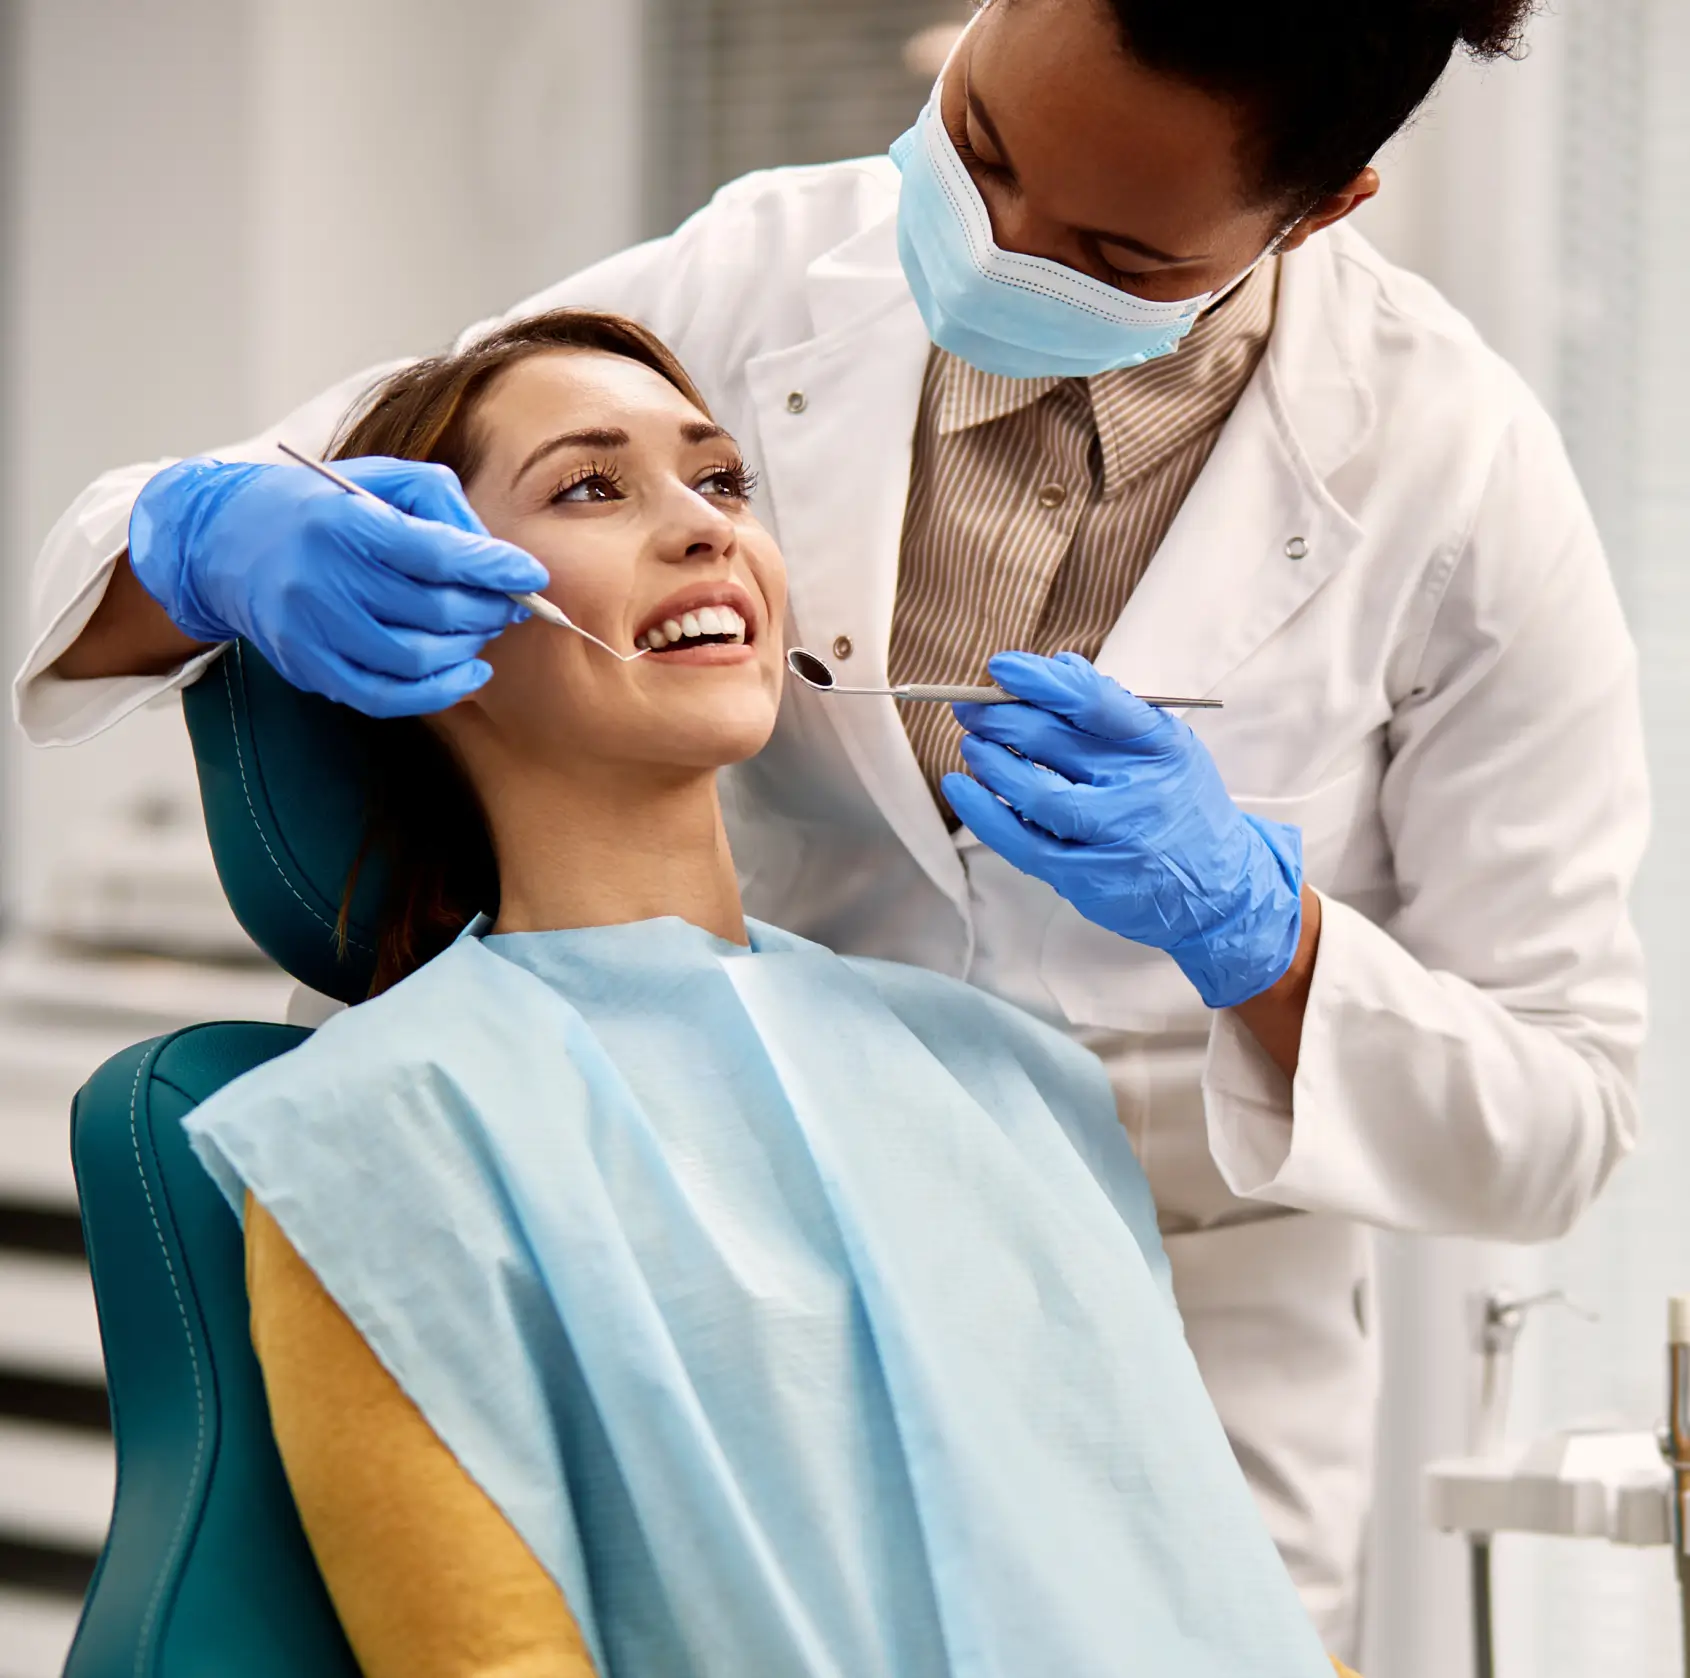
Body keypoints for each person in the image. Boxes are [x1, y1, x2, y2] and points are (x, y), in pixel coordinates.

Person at [15, 0, 1646, 1652]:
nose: (991, 248)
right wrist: (204, 536)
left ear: (1320, 210)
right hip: (690, 1239)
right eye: (979, 150)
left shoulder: (1454, 471)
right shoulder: (749, 285)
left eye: (1107, 250)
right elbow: (240, 510)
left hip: (1157, 1301)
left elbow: (1562, 1104)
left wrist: (1265, 941)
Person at [185, 307, 1357, 1678]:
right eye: (588, 486)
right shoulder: (380, 1130)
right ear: (416, 622)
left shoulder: (1009, 1078)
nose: (705, 528)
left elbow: (1210, 1590)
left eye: (722, 479)